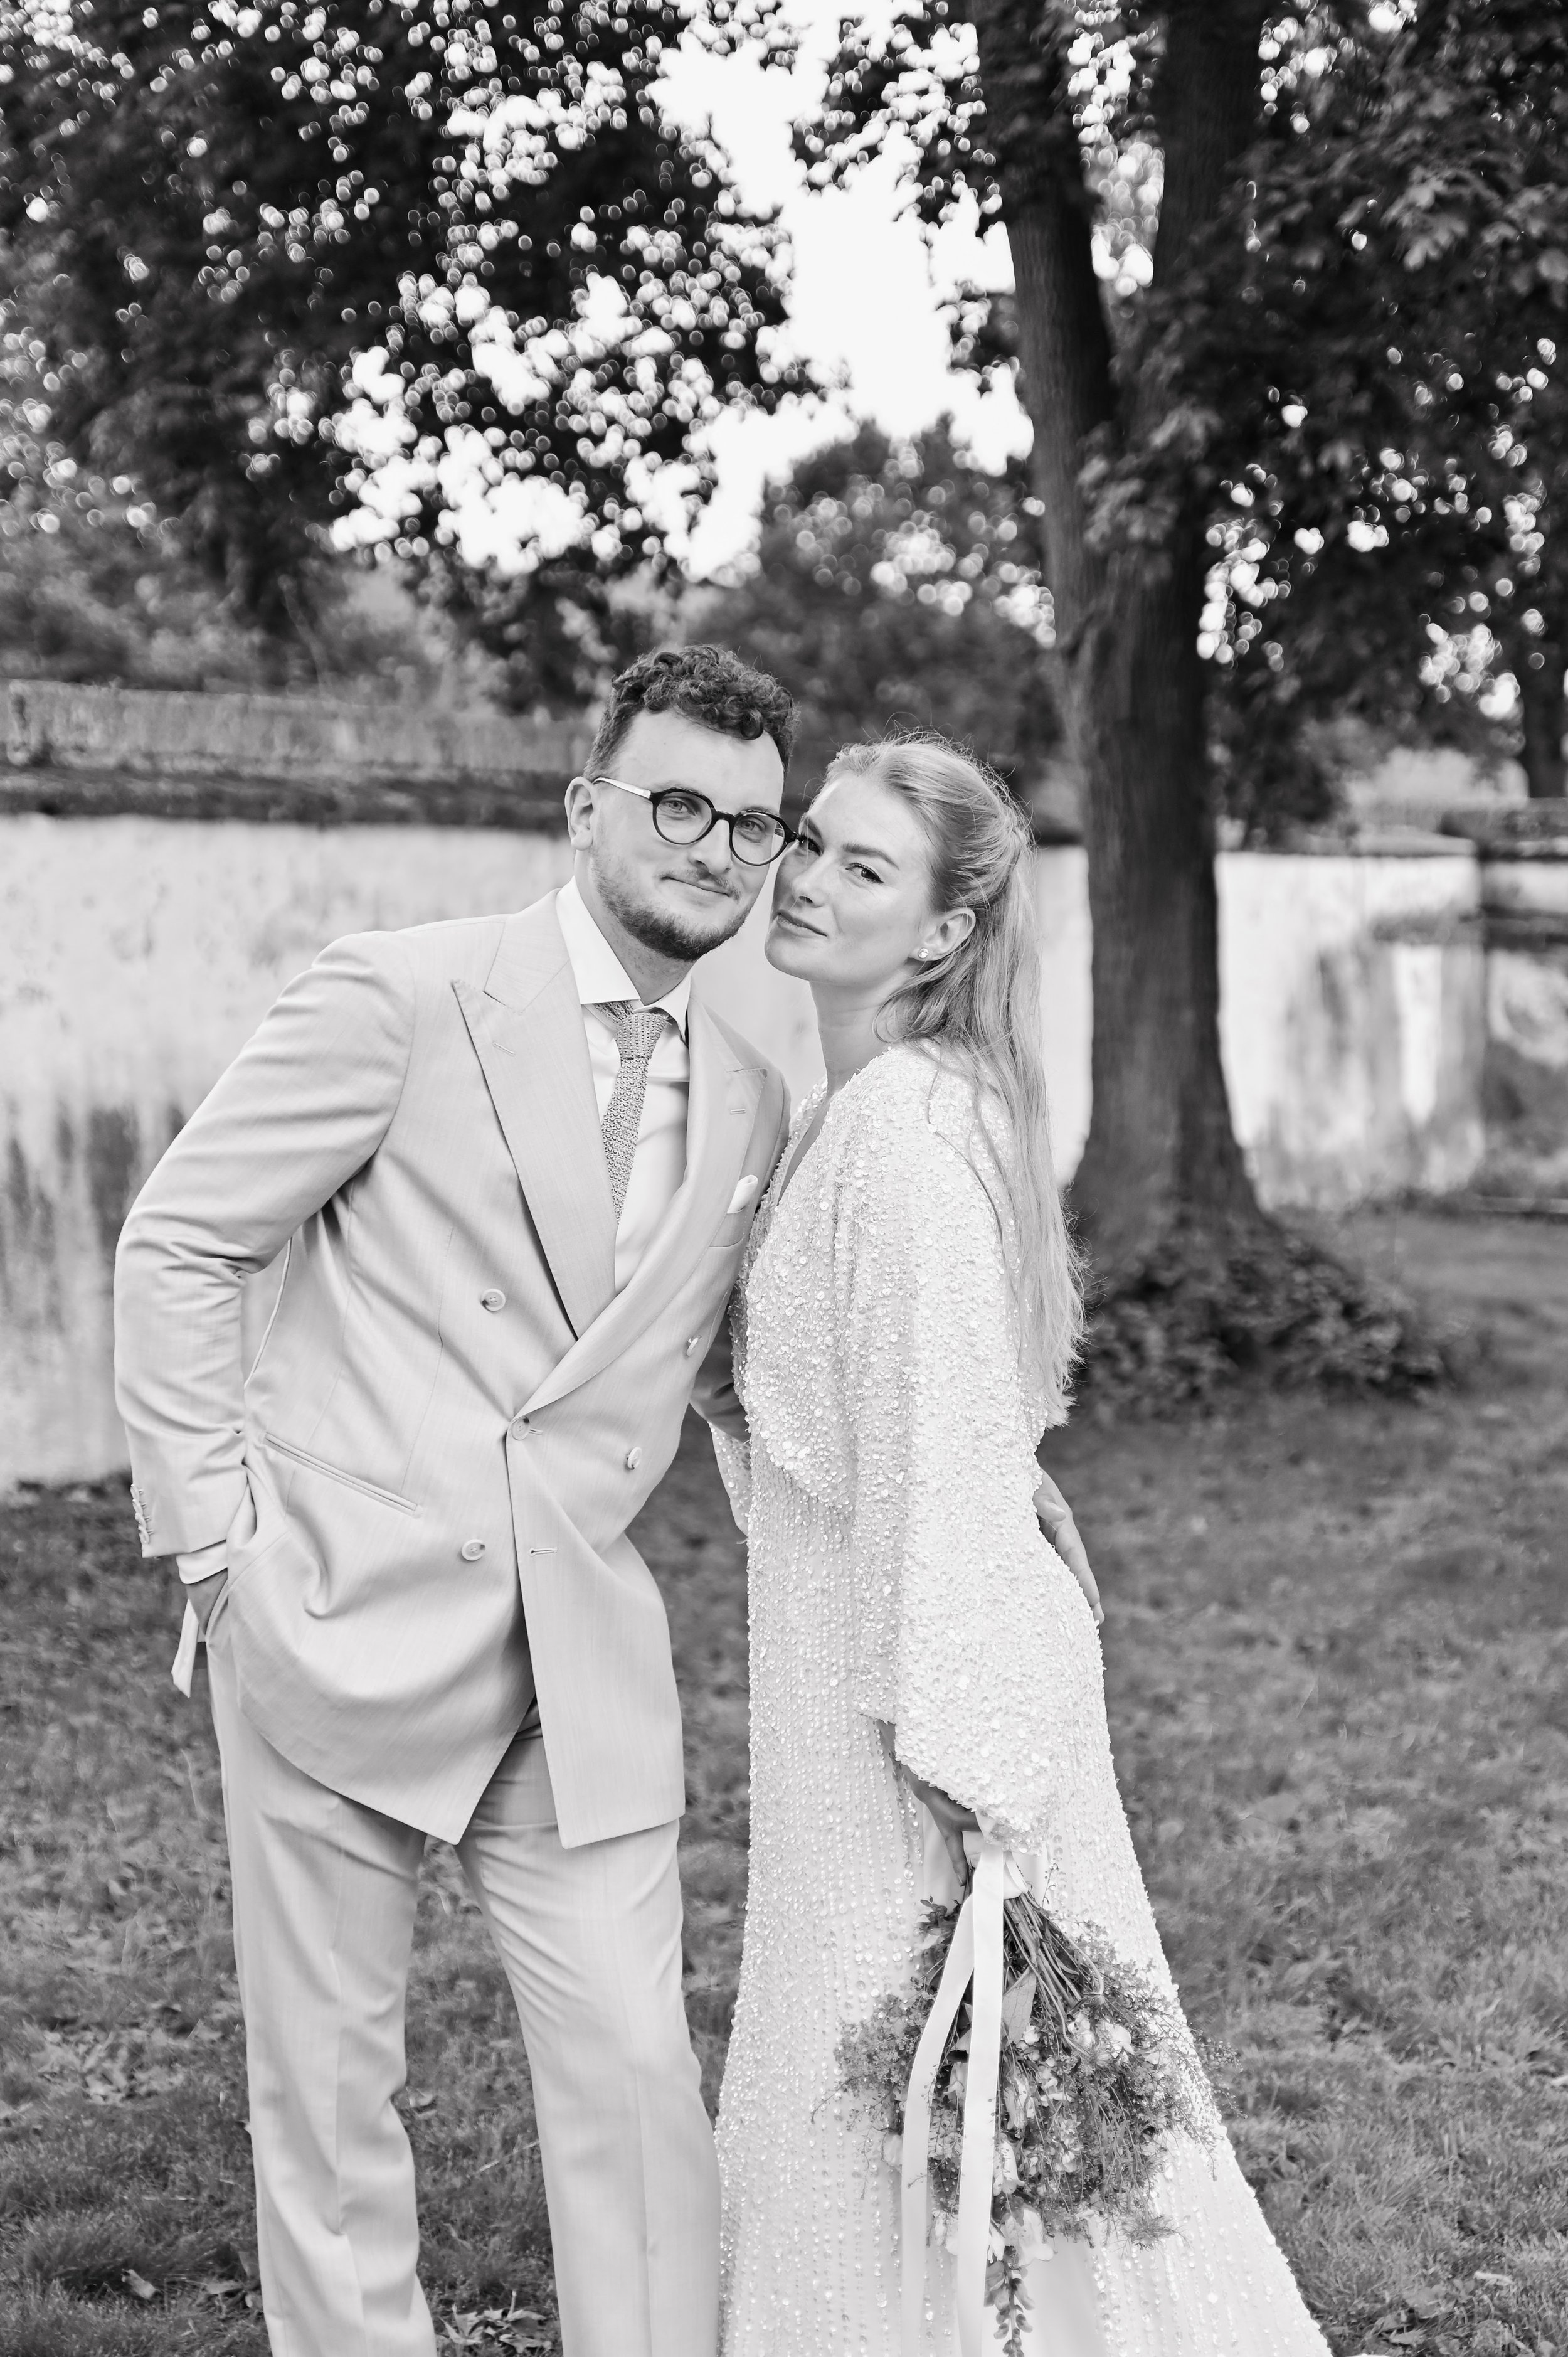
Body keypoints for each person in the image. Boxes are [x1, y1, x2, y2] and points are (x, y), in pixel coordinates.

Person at [112, 644, 802, 2357]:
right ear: (588, 811)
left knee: (639, 2078)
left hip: (575, 1655)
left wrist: (930, 1496)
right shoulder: (398, 997)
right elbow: (187, 1240)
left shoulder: (751, 1096)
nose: (715, 850)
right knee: (332, 2099)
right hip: (329, 1616)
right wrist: (215, 1549)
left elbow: (706, 1365)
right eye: (680, 806)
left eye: (755, 828)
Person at [711, 735, 1332, 2354]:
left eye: (862, 867)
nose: (804, 877)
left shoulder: (908, 1134)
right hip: (864, 1637)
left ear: (937, 931)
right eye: (810, 842)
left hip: (918, 1687)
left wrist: (965, 1759)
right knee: (876, 2075)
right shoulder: (861, 1110)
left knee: (942, 2078)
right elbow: (894, 1423)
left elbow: (927, 1444)